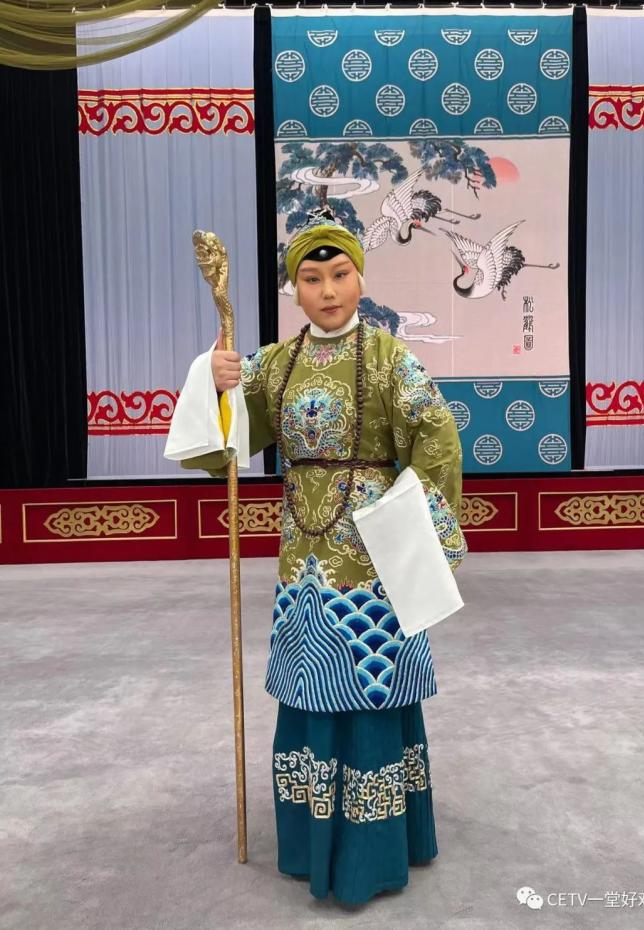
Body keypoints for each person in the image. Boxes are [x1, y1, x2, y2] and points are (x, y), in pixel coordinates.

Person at [179, 214, 467, 905]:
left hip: (375, 554)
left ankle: (373, 855)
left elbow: (437, 440)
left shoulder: (390, 359)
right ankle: (314, 845)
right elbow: (223, 448)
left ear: (359, 279)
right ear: (295, 289)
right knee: (310, 686)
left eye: (340, 275)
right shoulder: (273, 364)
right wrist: (212, 379)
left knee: (371, 689)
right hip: (301, 551)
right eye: (311, 279)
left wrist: (413, 531)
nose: (328, 291)